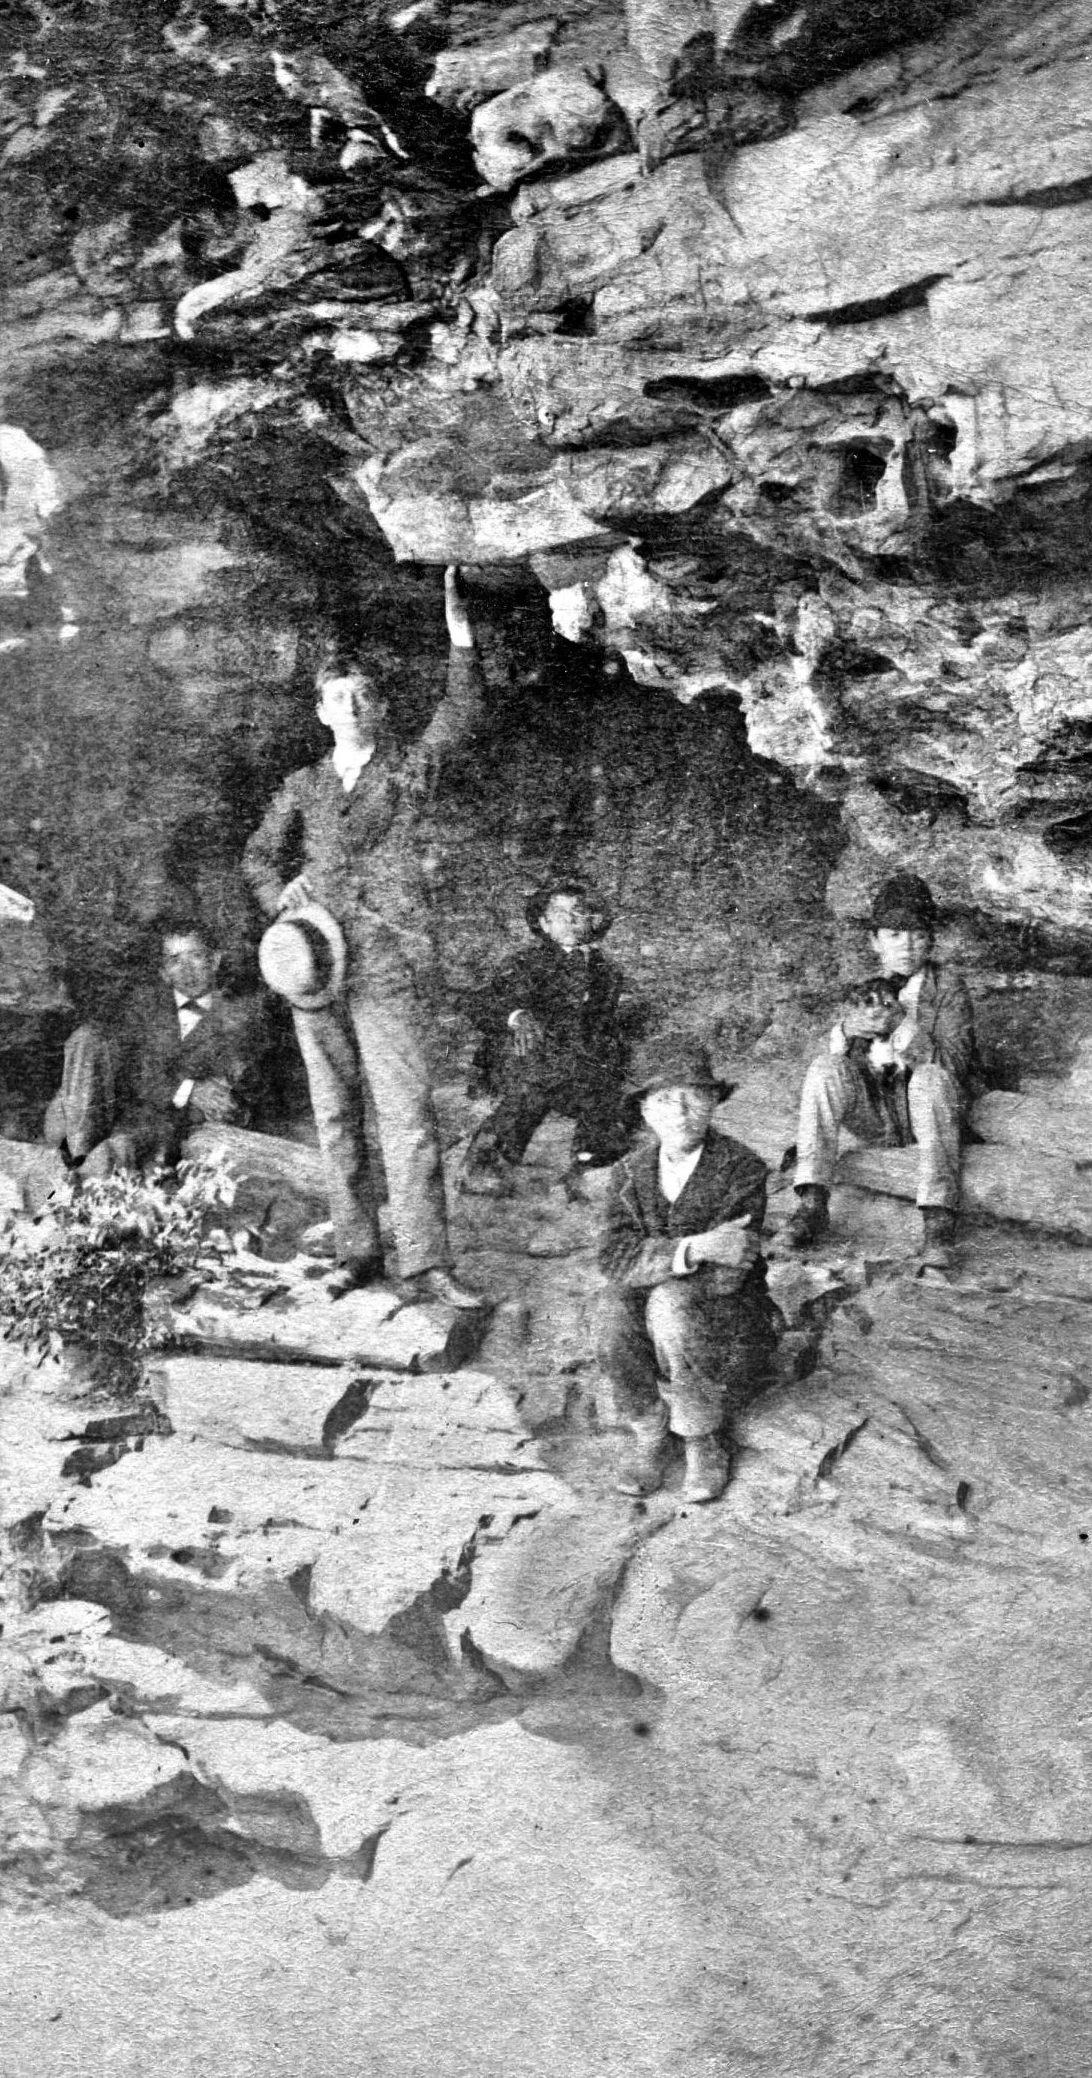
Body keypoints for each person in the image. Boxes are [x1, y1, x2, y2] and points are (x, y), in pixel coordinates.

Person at [243, 567, 484, 1310]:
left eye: (362, 696)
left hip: (385, 960)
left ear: (378, 706)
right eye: (337, 698)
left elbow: (462, 711)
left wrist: (459, 632)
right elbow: (257, 857)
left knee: (407, 1117)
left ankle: (425, 1262)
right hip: (314, 966)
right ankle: (356, 1251)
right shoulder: (302, 785)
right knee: (334, 1114)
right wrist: (277, 897)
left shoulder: (408, 767)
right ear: (320, 711)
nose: (350, 708)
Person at [594, 1038, 777, 1505]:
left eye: (693, 1096)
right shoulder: (629, 1173)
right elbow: (613, 1259)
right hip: (662, 1318)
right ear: (644, 1112)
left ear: (713, 1102)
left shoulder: (741, 1168)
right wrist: (696, 1247)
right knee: (611, 1307)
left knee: (669, 1302)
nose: (679, 1112)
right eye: (663, 1099)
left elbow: (731, 1268)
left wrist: (652, 1261)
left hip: (730, 1322)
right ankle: (650, 1430)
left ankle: (701, 1437)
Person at [782, 872, 975, 1264]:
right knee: (824, 1067)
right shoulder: (867, 989)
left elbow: (953, 1068)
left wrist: (902, 1026)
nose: (906, 946)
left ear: (931, 940)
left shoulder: (949, 990)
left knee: (931, 1078)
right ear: (874, 941)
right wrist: (846, 1031)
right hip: (878, 1118)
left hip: (928, 1117)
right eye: (894, 935)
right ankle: (812, 1202)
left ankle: (938, 1220)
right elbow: (830, 1073)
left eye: (918, 935)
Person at [42, 920, 271, 1174]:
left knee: (120, 1151)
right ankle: (79, 1158)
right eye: (175, 960)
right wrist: (188, 1089)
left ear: (215, 960)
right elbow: (130, 1070)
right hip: (104, 1112)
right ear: (164, 972)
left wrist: (193, 1094)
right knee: (88, 1038)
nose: (186, 970)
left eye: (195, 956)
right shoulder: (144, 1006)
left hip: (168, 1124)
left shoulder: (239, 1018)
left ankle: (85, 1169)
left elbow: (230, 1090)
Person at [459, 879, 636, 1200]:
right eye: (559, 914)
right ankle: (486, 1165)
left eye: (578, 913)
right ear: (544, 923)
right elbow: (479, 1003)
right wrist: (516, 1016)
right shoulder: (526, 963)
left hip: (581, 1065)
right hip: (529, 1061)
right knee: (528, 1094)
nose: (570, 921)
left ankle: (587, 1168)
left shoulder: (606, 970)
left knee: (607, 1098)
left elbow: (605, 1022)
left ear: (592, 920)